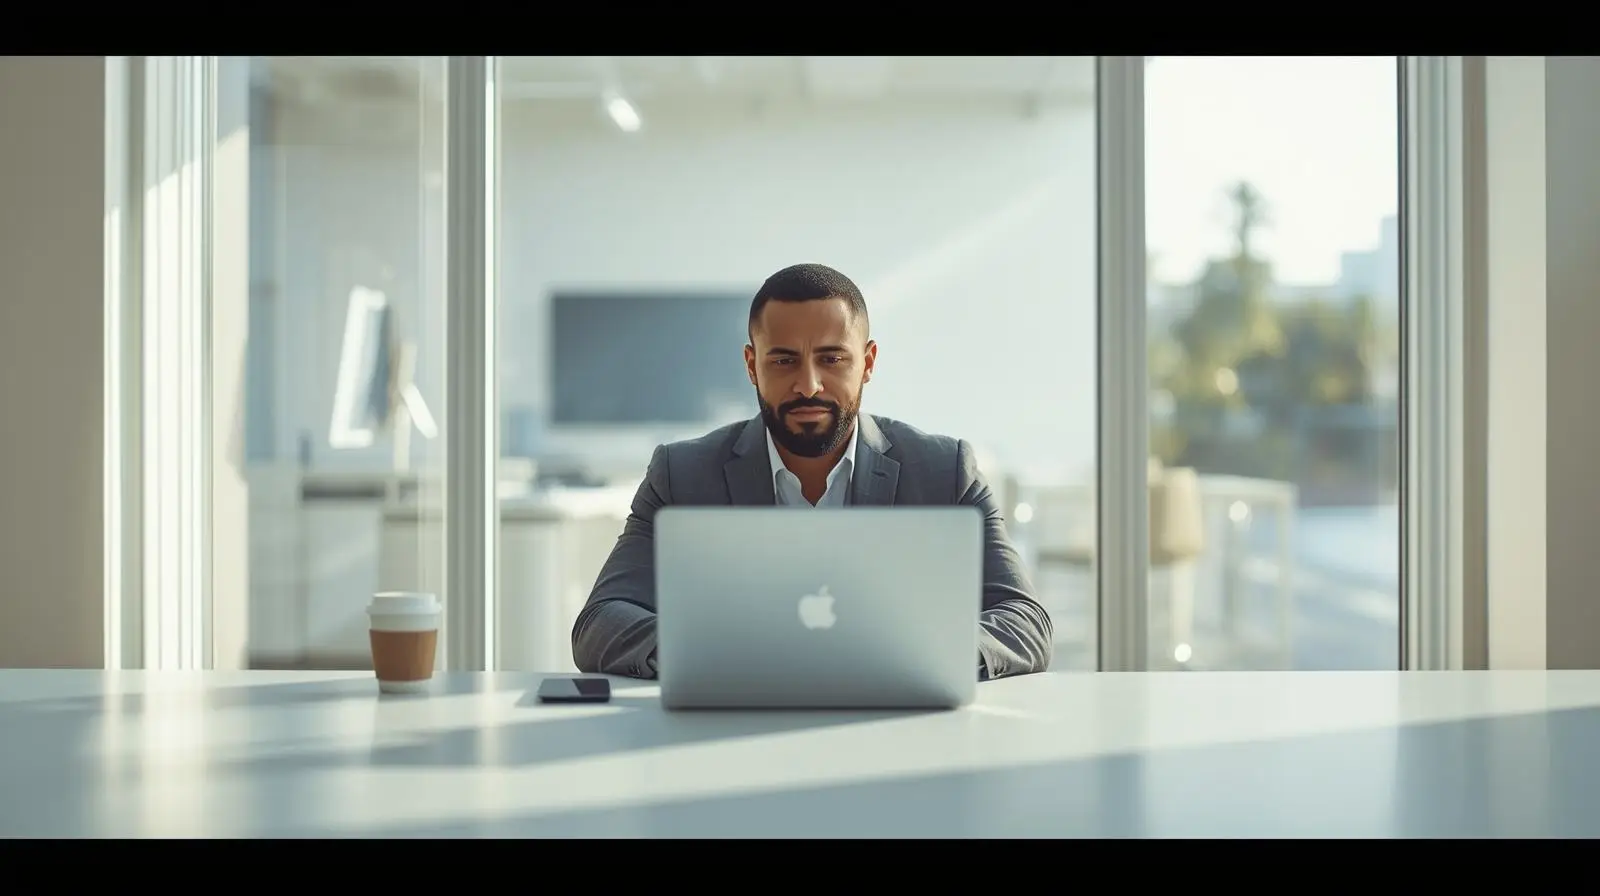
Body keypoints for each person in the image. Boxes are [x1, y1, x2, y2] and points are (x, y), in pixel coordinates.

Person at [570, 262, 1054, 680]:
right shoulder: (681, 472)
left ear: (866, 363)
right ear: (751, 365)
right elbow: (599, 623)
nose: (808, 385)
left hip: (902, 732)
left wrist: (919, 656)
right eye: (783, 360)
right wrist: (718, 656)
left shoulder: (945, 470)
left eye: (831, 358)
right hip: (728, 732)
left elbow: (1025, 620)